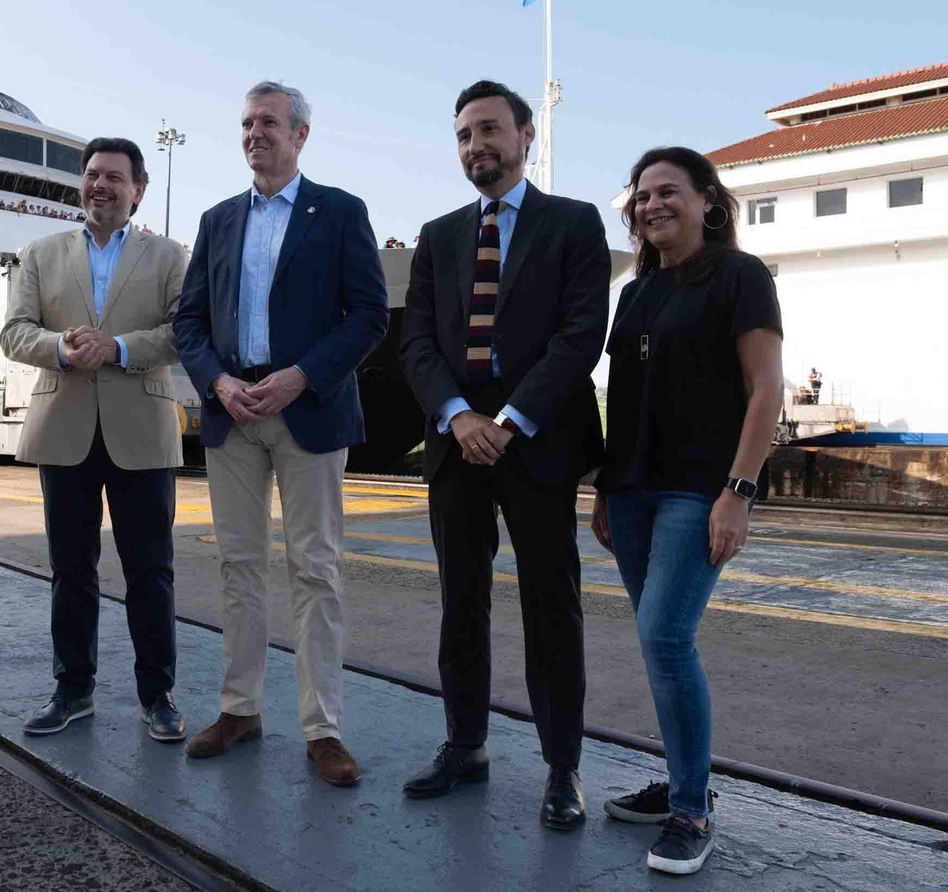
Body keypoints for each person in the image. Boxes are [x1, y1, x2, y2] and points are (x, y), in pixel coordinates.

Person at [397, 79, 611, 832]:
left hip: (539, 442)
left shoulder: (573, 224)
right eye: (462, 135)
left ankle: (562, 767)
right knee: (462, 598)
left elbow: (581, 335)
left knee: (552, 605)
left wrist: (511, 420)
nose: (474, 145)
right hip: (458, 447)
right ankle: (466, 743)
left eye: (488, 129)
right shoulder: (439, 234)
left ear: (526, 136)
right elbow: (416, 341)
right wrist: (458, 419)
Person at [173, 80, 388, 787]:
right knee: (238, 566)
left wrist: (301, 376)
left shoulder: (341, 213)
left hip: (309, 410)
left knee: (316, 570)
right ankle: (241, 710)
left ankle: (323, 728)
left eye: (269, 121)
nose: (254, 133)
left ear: (301, 134)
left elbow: (369, 315)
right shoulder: (217, 219)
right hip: (233, 415)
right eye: (246, 123)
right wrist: (218, 382)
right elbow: (191, 323)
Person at [590, 145, 783, 875]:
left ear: (707, 199)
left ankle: (693, 808)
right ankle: (680, 781)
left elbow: (765, 388)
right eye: (641, 197)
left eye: (668, 192)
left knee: (667, 639)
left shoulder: (741, 277)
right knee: (655, 642)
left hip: (698, 491)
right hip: (635, 490)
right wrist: (607, 485)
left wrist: (739, 492)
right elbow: (629, 399)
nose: (652, 206)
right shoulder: (636, 292)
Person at [0, 137, 190, 742]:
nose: (99, 185)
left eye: (113, 177)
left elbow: (186, 330)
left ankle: (157, 695)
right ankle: (73, 689)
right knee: (70, 569)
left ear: (139, 189)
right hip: (65, 428)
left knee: (150, 571)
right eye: (91, 175)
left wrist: (121, 348)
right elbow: (13, 333)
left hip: (142, 427)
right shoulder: (40, 253)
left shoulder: (170, 256)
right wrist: (60, 348)